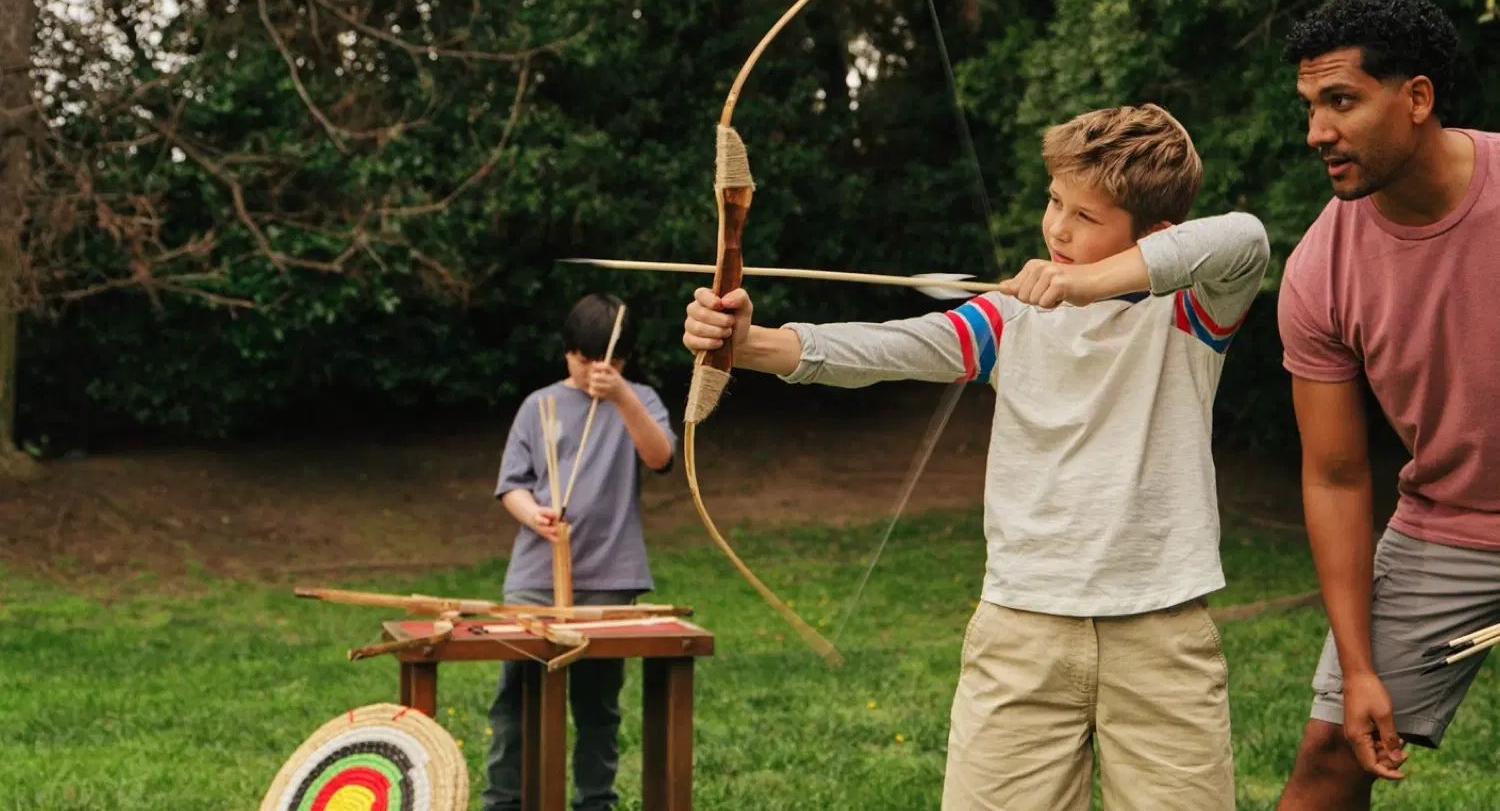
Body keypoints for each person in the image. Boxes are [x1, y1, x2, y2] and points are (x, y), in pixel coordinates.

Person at [683, 104, 1270, 811]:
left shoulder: (1189, 315)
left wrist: (1087, 283)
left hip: (1161, 631)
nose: (1057, 227)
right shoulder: (1009, 319)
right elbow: (892, 347)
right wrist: (753, 345)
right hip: (1021, 630)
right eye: (1055, 201)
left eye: (1086, 217)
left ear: (1154, 234)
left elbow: (1245, 237)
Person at [1275, 0, 1500, 810]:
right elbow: (1335, 476)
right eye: (1309, 106)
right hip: (1450, 525)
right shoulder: (1317, 273)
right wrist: (1359, 668)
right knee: (1330, 758)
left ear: (1416, 99)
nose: (1317, 132)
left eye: (1340, 100)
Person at [482, 293, 676, 811]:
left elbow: (660, 457)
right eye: (583, 359)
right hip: (534, 575)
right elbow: (512, 485)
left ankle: (595, 802)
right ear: (567, 353)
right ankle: (505, 802)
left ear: (625, 360)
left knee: (597, 706)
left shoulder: (642, 400)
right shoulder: (538, 405)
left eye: (607, 360)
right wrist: (533, 515)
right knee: (515, 704)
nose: (595, 370)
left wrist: (622, 399)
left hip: (610, 574)